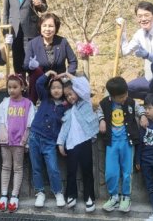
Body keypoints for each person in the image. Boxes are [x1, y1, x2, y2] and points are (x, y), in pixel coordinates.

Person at [98, 76, 147, 213]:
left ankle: (126, 197)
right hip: (111, 143)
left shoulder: (130, 102)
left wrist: (142, 116)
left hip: (127, 142)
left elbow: (140, 109)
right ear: (112, 96)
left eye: (125, 94)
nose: (124, 98)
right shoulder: (104, 103)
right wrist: (101, 120)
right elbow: (99, 112)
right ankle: (114, 196)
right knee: (111, 172)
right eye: (120, 97)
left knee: (127, 172)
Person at [0, 74, 35, 213]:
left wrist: (26, 141)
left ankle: (15, 196)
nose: (11, 90)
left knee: (17, 168)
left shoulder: (28, 104)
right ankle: (4, 195)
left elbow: (30, 124)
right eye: (9, 87)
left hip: (19, 142)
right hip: (5, 141)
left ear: (22, 87)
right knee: (5, 166)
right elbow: (0, 121)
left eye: (15, 87)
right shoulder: (5, 102)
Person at [57, 75, 98, 212]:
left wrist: (68, 75)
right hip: (71, 144)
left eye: (71, 93)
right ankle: (71, 194)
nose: (69, 97)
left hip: (85, 141)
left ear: (77, 91)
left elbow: (84, 86)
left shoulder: (85, 102)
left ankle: (89, 197)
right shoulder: (68, 111)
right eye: (66, 96)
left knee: (87, 170)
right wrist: (60, 143)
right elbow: (64, 129)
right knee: (71, 171)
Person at [3, 0, 47, 74]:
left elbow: (44, 7)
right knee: (18, 62)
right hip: (14, 31)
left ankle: (33, 87)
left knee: (33, 61)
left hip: (31, 30)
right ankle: (20, 86)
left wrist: (40, 4)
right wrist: (5, 32)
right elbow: (6, 12)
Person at [29, 71, 68, 208]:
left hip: (51, 141)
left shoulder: (65, 106)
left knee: (53, 168)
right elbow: (38, 83)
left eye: (59, 87)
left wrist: (66, 78)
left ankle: (58, 192)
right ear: (49, 89)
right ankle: (40, 193)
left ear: (63, 89)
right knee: (36, 168)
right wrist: (48, 73)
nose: (56, 90)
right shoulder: (45, 98)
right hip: (35, 137)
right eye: (53, 87)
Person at [24, 12, 77, 104]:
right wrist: (31, 66)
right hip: (40, 85)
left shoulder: (62, 42)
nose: (47, 29)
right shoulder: (32, 44)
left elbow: (73, 61)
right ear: (40, 27)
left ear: (56, 28)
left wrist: (66, 75)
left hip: (60, 83)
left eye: (51, 26)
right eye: (44, 26)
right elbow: (25, 65)